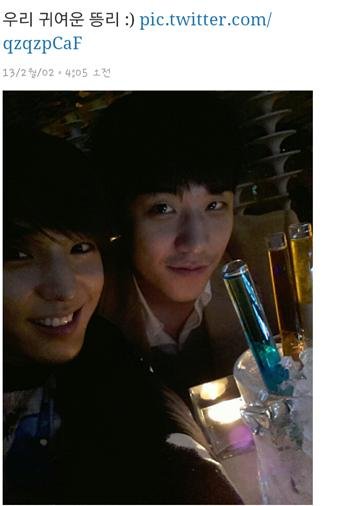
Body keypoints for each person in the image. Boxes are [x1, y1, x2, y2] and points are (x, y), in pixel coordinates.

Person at [3, 128, 242, 504]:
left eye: (81, 248)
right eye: (18, 255)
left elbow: (159, 433)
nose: (64, 289)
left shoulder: (102, 350)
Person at [92, 92, 299, 399]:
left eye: (214, 206)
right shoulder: (86, 298)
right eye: (163, 209)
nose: (196, 243)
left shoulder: (274, 254)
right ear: (120, 217)